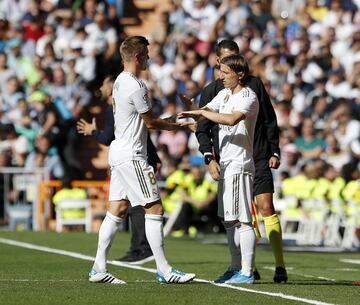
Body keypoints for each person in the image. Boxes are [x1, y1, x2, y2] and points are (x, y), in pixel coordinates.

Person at [88, 35, 195, 285]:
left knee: (118, 209)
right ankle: (164, 269)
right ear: (137, 57)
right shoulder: (136, 86)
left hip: (119, 151)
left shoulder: (119, 82)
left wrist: (177, 118)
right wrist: (180, 125)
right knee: (155, 208)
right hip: (133, 155)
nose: (148, 58)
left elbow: (145, 119)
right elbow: (151, 123)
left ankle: (98, 268)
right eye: (146, 54)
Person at [194, 40, 287, 283]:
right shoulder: (215, 91)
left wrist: (274, 151)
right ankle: (243, 267)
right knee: (230, 217)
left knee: (261, 210)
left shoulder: (252, 87)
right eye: (224, 62)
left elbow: (268, 118)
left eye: (233, 60)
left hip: (254, 154)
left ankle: (275, 266)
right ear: (217, 61)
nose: (227, 67)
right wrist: (208, 156)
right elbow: (201, 127)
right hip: (226, 158)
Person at [178, 54, 259, 284]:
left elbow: (232, 119)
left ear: (239, 74)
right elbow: (205, 111)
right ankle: (235, 267)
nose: (220, 76)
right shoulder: (223, 94)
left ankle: (247, 271)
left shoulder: (248, 96)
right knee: (228, 220)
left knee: (243, 219)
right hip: (226, 163)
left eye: (225, 72)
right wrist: (189, 113)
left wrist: (202, 113)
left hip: (240, 163)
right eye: (220, 71)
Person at [77, 76, 161, 265]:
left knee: (143, 206)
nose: (102, 86)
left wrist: (93, 132)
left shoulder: (116, 106)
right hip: (131, 157)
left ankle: (143, 249)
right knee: (126, 206)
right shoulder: (115, 107)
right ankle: (137, 249)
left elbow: (111, 137)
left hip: (136, 158)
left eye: (105, 83)